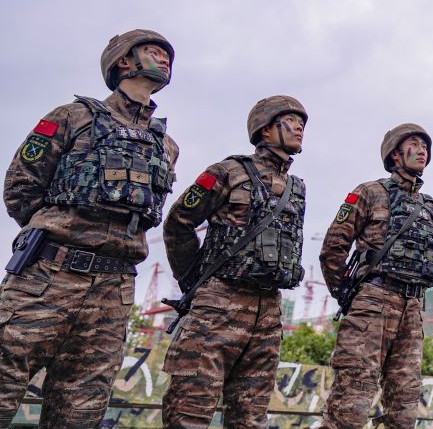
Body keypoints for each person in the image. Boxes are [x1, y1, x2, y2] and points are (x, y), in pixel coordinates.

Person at [0, 29, 179, 427]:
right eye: (154, 51)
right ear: (123, 62)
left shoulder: (166, 145)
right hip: (48, 277)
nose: (165, 59)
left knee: (81, 408)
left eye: (168, 55)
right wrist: (59, 232)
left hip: (113, 290)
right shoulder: (71, 117)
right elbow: (21, 186)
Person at [160, 96, 308, 428]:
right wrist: (195, 282)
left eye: (302, 122)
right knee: (190, 409)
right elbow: (178, 223)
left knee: (251, 417)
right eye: (290, 120)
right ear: (265, 130)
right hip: (219, 304)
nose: (300, 127)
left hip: (269, 309)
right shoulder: (228, 171)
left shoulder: (297, 188)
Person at [318, 123, 433, 429]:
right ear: (395, 154)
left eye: (425, 145)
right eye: (414, 143)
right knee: (352, 400)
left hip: (412, 309)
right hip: (372, 301)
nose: (422, 149)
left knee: (405, 405)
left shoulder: (430, 208)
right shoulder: (369, 192)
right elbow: (333, 247)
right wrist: (352, 295)